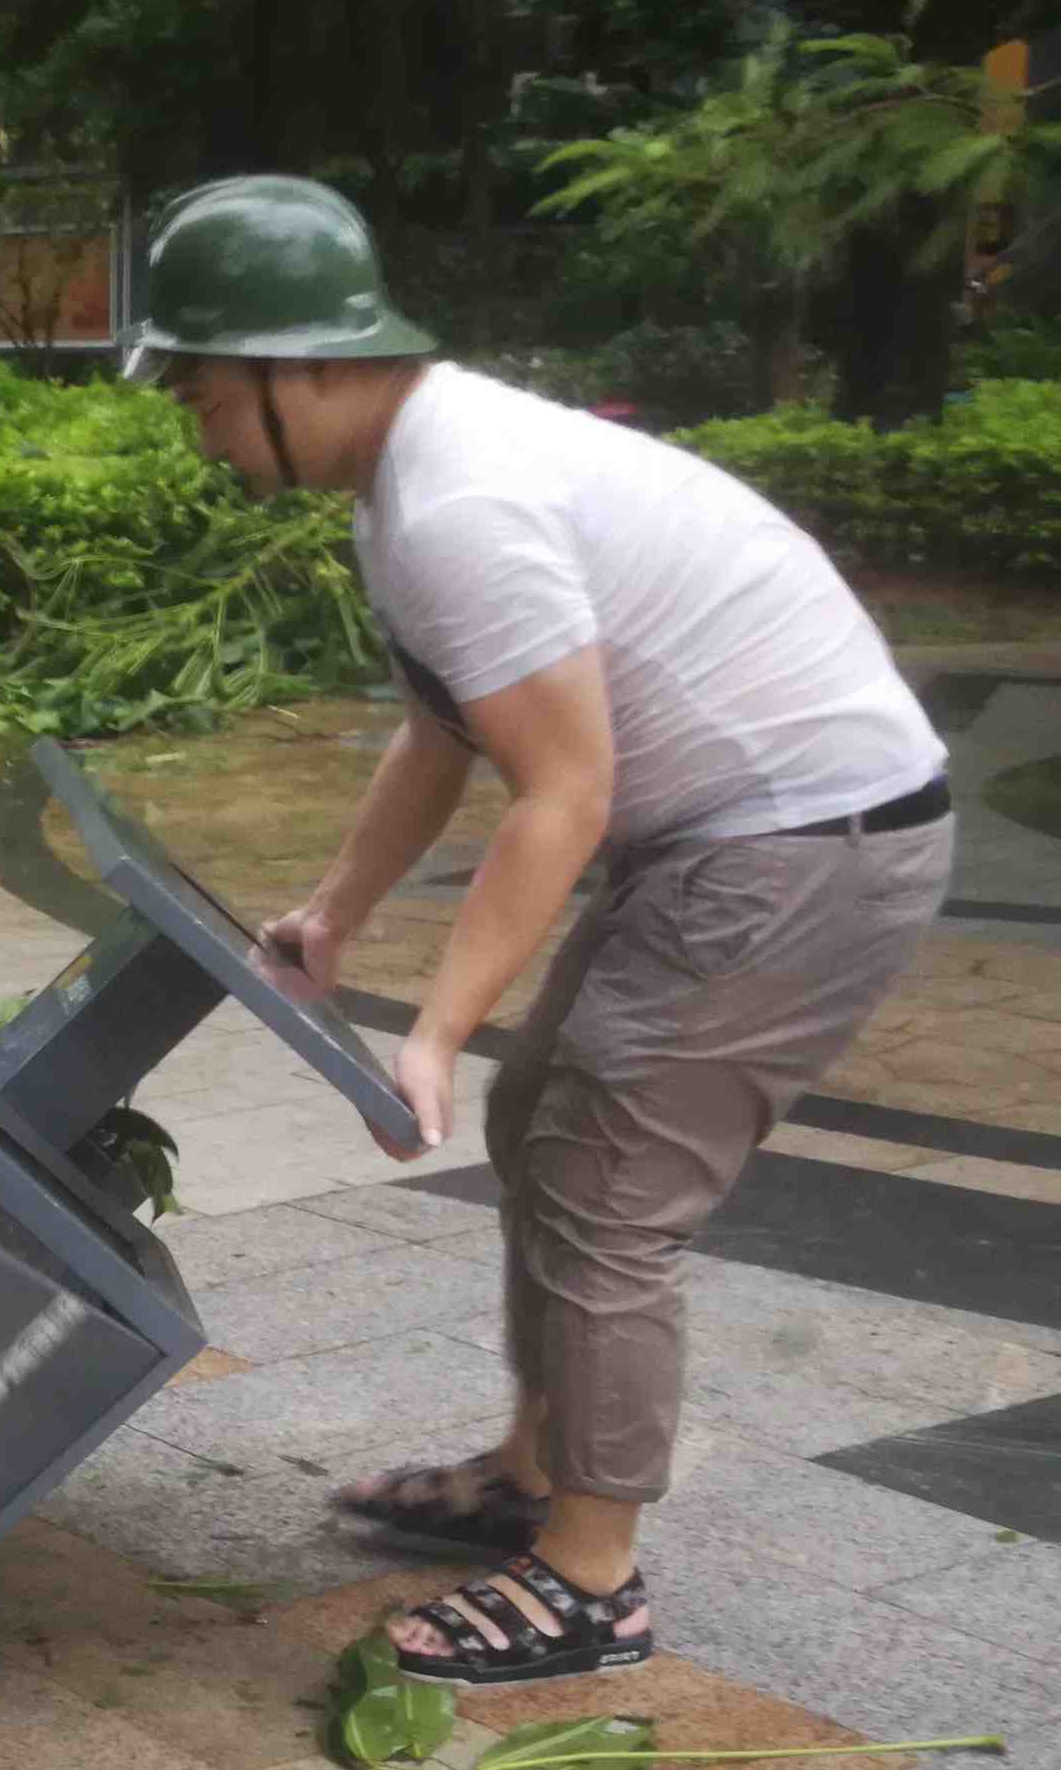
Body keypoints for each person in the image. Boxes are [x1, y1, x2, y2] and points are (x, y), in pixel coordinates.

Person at [125, 176, 953, 1687]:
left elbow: (561, 794)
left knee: (604, 1181)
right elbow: (444, 728)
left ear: (297, 367)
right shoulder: (405, 484)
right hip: (737, 835)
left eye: (205, 397)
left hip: (806, 845)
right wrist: (336, 912)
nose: (202, 434)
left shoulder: (459, 501)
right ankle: (531, 1477)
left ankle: (589, 1578)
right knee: (546, 1129)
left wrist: (436, 1030)